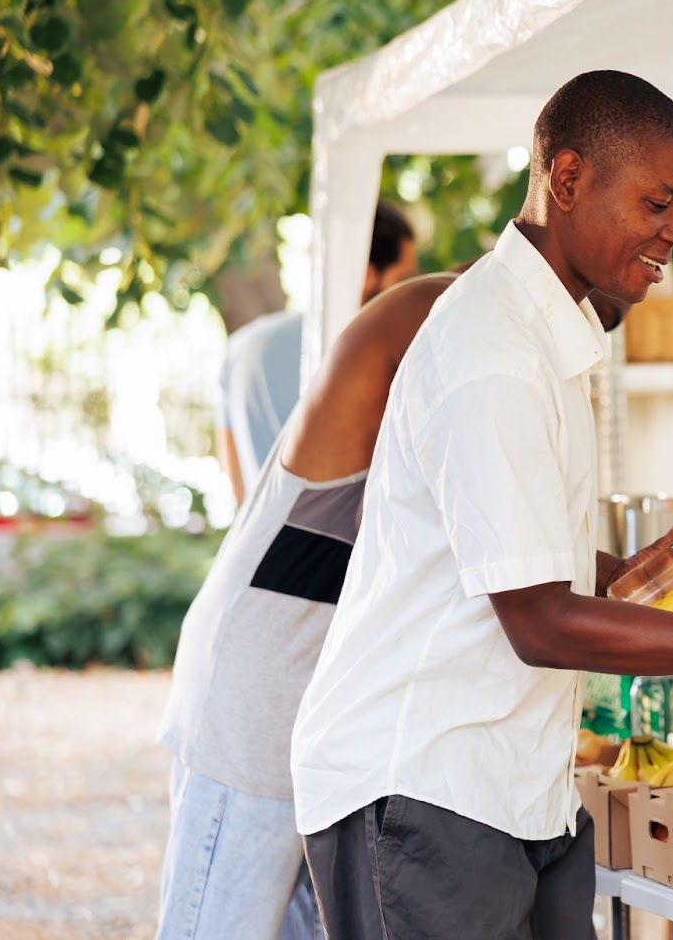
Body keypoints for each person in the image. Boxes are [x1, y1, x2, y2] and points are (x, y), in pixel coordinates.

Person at [289, 71, 673, 940]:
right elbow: (541, 622)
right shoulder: (493, 352)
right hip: (424, 784)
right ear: (570, 178)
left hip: (513, 786)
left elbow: (507, 545)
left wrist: (623, 573)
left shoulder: (536, 335)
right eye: (659, 203)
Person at [161, 260, 628, 940]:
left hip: (334, 714)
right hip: (261, 684)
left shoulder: (479, 332)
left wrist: (621, 575)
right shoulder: (449, 325)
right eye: (589, 316)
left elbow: (489, 539)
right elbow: (493, 529)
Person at [216, 204, 419, 503]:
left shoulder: (242, 346)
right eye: (404, 279)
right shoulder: (372, 360)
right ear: (365, 275)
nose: (411, 293)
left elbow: (235, 478)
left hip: (261, 545)